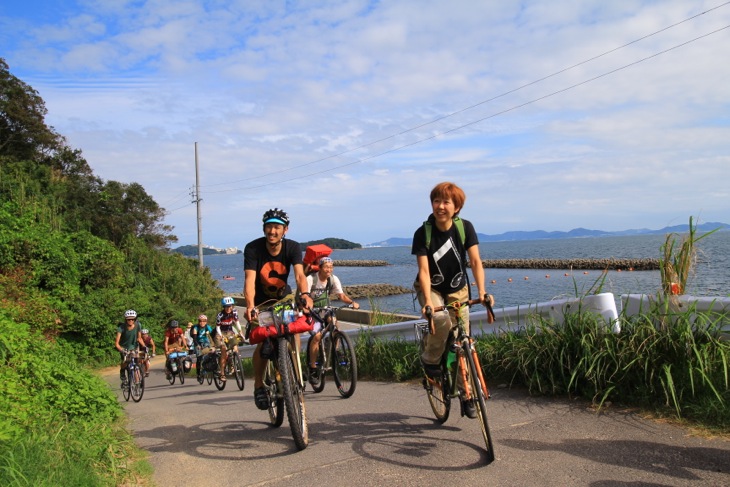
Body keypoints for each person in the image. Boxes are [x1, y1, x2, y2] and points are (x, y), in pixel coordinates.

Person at [411, 182, 494, 419]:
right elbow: (424, 272)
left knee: (462, 340)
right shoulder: (423, 233)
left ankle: (467, 395)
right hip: (432, 287)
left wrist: (482, 292)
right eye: (437, 201)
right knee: (439, 317)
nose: (441, 206)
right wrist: (427, 301)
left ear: (457, 207)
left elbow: (476, 262)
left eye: (447, 202)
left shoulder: (464, 228)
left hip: (458, 288)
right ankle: (431, 359)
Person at [244, 208, 313, 410]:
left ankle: (292, 366)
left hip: (285, 297)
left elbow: (300, 276)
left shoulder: (292, 247)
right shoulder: (253, 248)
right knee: (263, 343)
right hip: (260, 301)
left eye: (277, 227)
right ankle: (258, 385)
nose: (272, 231)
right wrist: (250, 306)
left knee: (295, 330)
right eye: (269, 226)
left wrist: (306, 295)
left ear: (285, 230)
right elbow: (250, 280)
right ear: (264, 228)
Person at [305, 256, 359, 386]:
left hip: (326, 309)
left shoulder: (333, 279)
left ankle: (336, 349)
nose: (329, 269)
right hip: (313, 312)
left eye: (331, 267)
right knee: (317, 337)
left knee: (334, 324)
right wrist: (307, 307)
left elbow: (341, 295)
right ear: (320, 267)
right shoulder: (311, 279)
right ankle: (313, 368)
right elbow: (305, 295)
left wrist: (352, 302)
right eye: (326, 267)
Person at [215, 297, 244, 382]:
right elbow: (217, 328)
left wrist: (240, 331)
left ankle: (233, 363)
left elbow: (237, 322)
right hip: (220, 333)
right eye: (226, 306)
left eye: (230, 306)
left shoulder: (234, 312)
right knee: (224, 350)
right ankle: (222, 374)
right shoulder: (220, 315)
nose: (228, 308)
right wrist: (221, 336)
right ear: (223, 307)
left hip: (230, 332)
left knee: (235, 346)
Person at [114, 309, 146, 383]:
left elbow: (139, 338)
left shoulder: (138, 325)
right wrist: (121, 350)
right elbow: (116, 343)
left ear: (135, 319)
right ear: (126, 320)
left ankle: (137, 382)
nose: (130, 321)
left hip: (134, 347)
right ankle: (122, 372)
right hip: (124, 348)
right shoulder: (121, 328)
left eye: (132, 319)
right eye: (128, 319)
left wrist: (144, 346)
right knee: (125, 362)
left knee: (137, 362)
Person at [191, 314, 214, 380]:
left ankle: (207, 367)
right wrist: (197, 345)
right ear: (198, 321)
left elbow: (212, 334)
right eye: (200, 321)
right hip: (198, 343)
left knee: (210, 353)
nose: (202, 322)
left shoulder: (208, 327)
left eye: (204, 321)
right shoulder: (196, 328)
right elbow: (194, 339)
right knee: (199, 358)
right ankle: (198, 374)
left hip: (206, 342)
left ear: (206, 322)